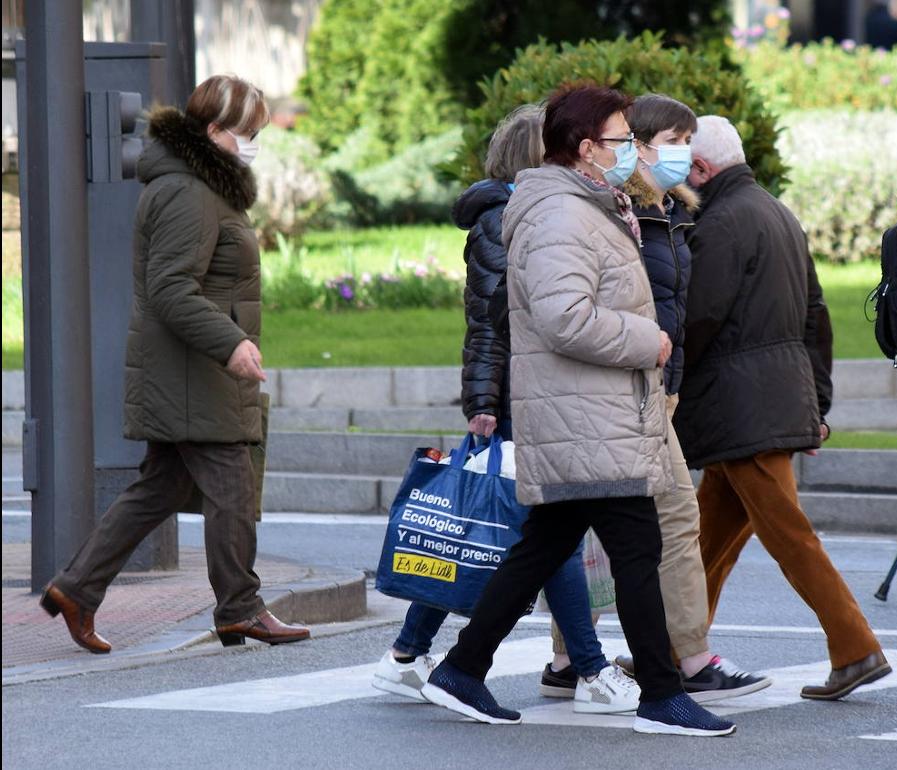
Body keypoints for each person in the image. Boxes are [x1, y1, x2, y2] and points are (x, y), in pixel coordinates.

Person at [420, 83, 735, 737]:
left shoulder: (586, 204)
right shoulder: (562, 214)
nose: (630, 151)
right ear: (587, 148)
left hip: (589, 409)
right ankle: (661, 693)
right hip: (583, 412)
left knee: (544, 547)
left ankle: (462, 667)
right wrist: (647, 340)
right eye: (621, 139)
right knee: (637, 545)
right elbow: (564, 317)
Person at [371, 105, 634, 716]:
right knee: (546, 533)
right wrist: (485, 402)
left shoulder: (534, 213)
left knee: (489, 533)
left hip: (534, 392)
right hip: (522, 397)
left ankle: (407, 656)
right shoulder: (502, 220)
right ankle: (592, 670)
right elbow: (490, 324)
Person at [39, 75, 309, 652]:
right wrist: (231, 344)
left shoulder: (196, 184)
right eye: (247, 132)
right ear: (213, 132)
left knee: (157, 490)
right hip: (194, 371)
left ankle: (76, 589)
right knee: (232, 486)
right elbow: (171, 288)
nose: (255, 142)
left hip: (184, 368)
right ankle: (240, 608)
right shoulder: (191, 191)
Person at [678, 115, 891, 702]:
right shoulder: (776, 213)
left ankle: (856, 648)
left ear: (700, 169)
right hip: (766, 404)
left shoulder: (718, 222)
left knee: (789, 536)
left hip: (737, 410)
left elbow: (698, 320)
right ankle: (677, 646)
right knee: (707, 539)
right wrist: (816, 401)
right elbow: (816, 316)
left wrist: (665, 380)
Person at [596, 93, 769, 700]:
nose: (684, 153)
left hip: (658, 391)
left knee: (663, 523)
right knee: (596, 529)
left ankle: (683, 660)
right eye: (672, 140)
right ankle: (607, 659)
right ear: (636, 144)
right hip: (624, 392)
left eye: (688, 142)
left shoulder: (673, 212)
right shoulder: (621, 213)